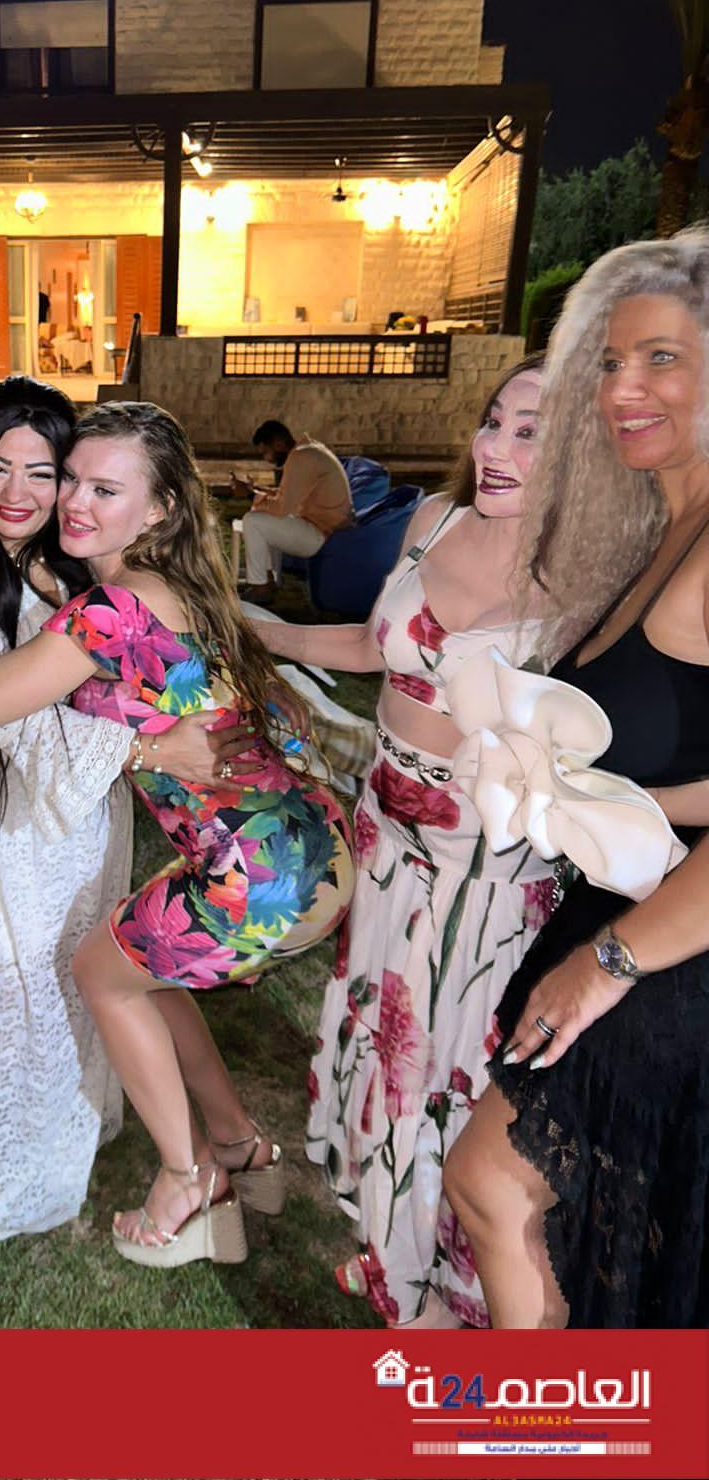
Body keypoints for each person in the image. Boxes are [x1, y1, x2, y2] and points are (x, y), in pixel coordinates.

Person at [0, 401, 354, 1267]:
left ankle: (187, 1182)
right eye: (72, 480)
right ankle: (240, 1145)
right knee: (147, 973)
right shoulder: (184, 584)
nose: (73, 502)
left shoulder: (107, 613)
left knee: (100, 973)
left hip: (253, 877)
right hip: (314, 850)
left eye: (105, 490)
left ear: (161, 508)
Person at [252, 355, 558, 1327]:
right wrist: (267, 634)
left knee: (444, 1066)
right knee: (383, 1044)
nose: (496, 447)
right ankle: (391, 1243)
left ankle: (444, 1282)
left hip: (485, 869)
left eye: (531, 432)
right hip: (386, 830)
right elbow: (372, 645)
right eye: (494, 420)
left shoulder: (596, 572)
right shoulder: (434, 521)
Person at [444, 229, 709, 1329]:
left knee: (496, 1183)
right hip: (634, 910)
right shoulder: (669, 522)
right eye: (607, 363)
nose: (620, 390)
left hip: (672, 949)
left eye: (660, 358)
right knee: (555, 1218)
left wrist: (608, 965)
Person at [236, 421, 353, 603]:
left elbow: (282, 508)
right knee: (263, 516)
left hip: (322, 534)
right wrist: (255, 491)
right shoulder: (307, 451)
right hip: (322, 527)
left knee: (253, 520)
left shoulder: (300, 458)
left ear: (278, 444)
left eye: (265, 452)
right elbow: (287, 496)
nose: (267, 459)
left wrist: (250, 495)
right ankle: (268, 580)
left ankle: (260, 588)